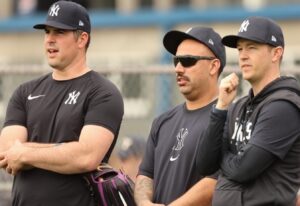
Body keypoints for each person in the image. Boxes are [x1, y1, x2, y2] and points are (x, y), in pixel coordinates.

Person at [0, 1, 124, 206]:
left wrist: (24, 153)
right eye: (47, 32)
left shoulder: (103, 92)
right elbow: (7, 153)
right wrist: (64, 151)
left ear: (82, 39)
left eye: (59, 32)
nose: (49, 40)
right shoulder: (25, 92)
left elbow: (86, 156)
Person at [196, 16, 300, 205]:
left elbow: (243, 169)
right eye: (240, 49)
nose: (242, 55)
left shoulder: (284, 106)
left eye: (252, 48)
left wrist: (223, 156)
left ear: (276, 54)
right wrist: (220, 108)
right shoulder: (237, 105)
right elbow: (204, 164)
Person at [134, 26, 226, 205]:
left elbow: (216, 182)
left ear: (213, 66)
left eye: (188, 61)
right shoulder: (163, 121)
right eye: (176, 60)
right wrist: (144, 202)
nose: (178, 68)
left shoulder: (226, 118)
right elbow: (145, 175)